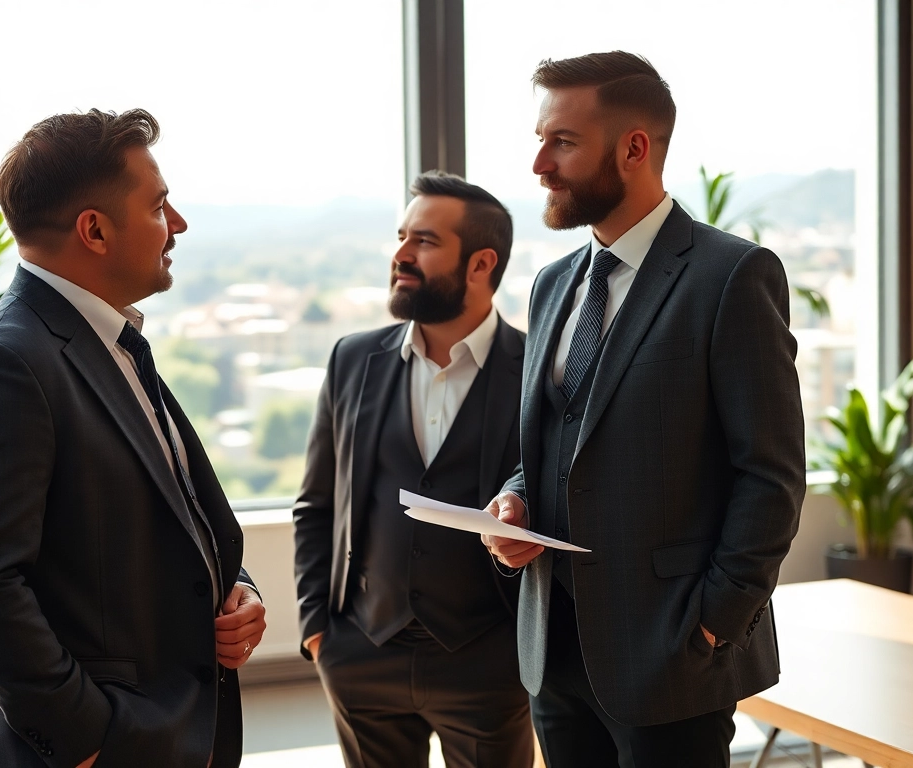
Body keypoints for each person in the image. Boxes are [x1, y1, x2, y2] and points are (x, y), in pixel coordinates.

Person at [481, 51, 806, 767]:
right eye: (540, 139)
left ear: (633, 147)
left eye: (561, 141)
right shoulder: (552, 285)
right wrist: (513, 502)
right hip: (554, 650)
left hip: (673, 654)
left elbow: (771, 474)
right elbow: (553, 446)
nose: (539, 163)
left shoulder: (732, 276)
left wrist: (718, 622)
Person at [0, 108, 265, 768]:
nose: (179, 225)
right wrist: (87, 739)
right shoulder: (6, 363)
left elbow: (162, 517)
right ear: (95, 230)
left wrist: (235, 587)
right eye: (160, 205)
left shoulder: (108, 343)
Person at [293, 171, 534, 768]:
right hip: (360, 654)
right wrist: (317, 631)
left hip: (489, 662)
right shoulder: (353, 358)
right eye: (401, 236)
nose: (400, 254)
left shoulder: (537, 371)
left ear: (481, 264)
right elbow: (317, 502)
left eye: (423, 241)